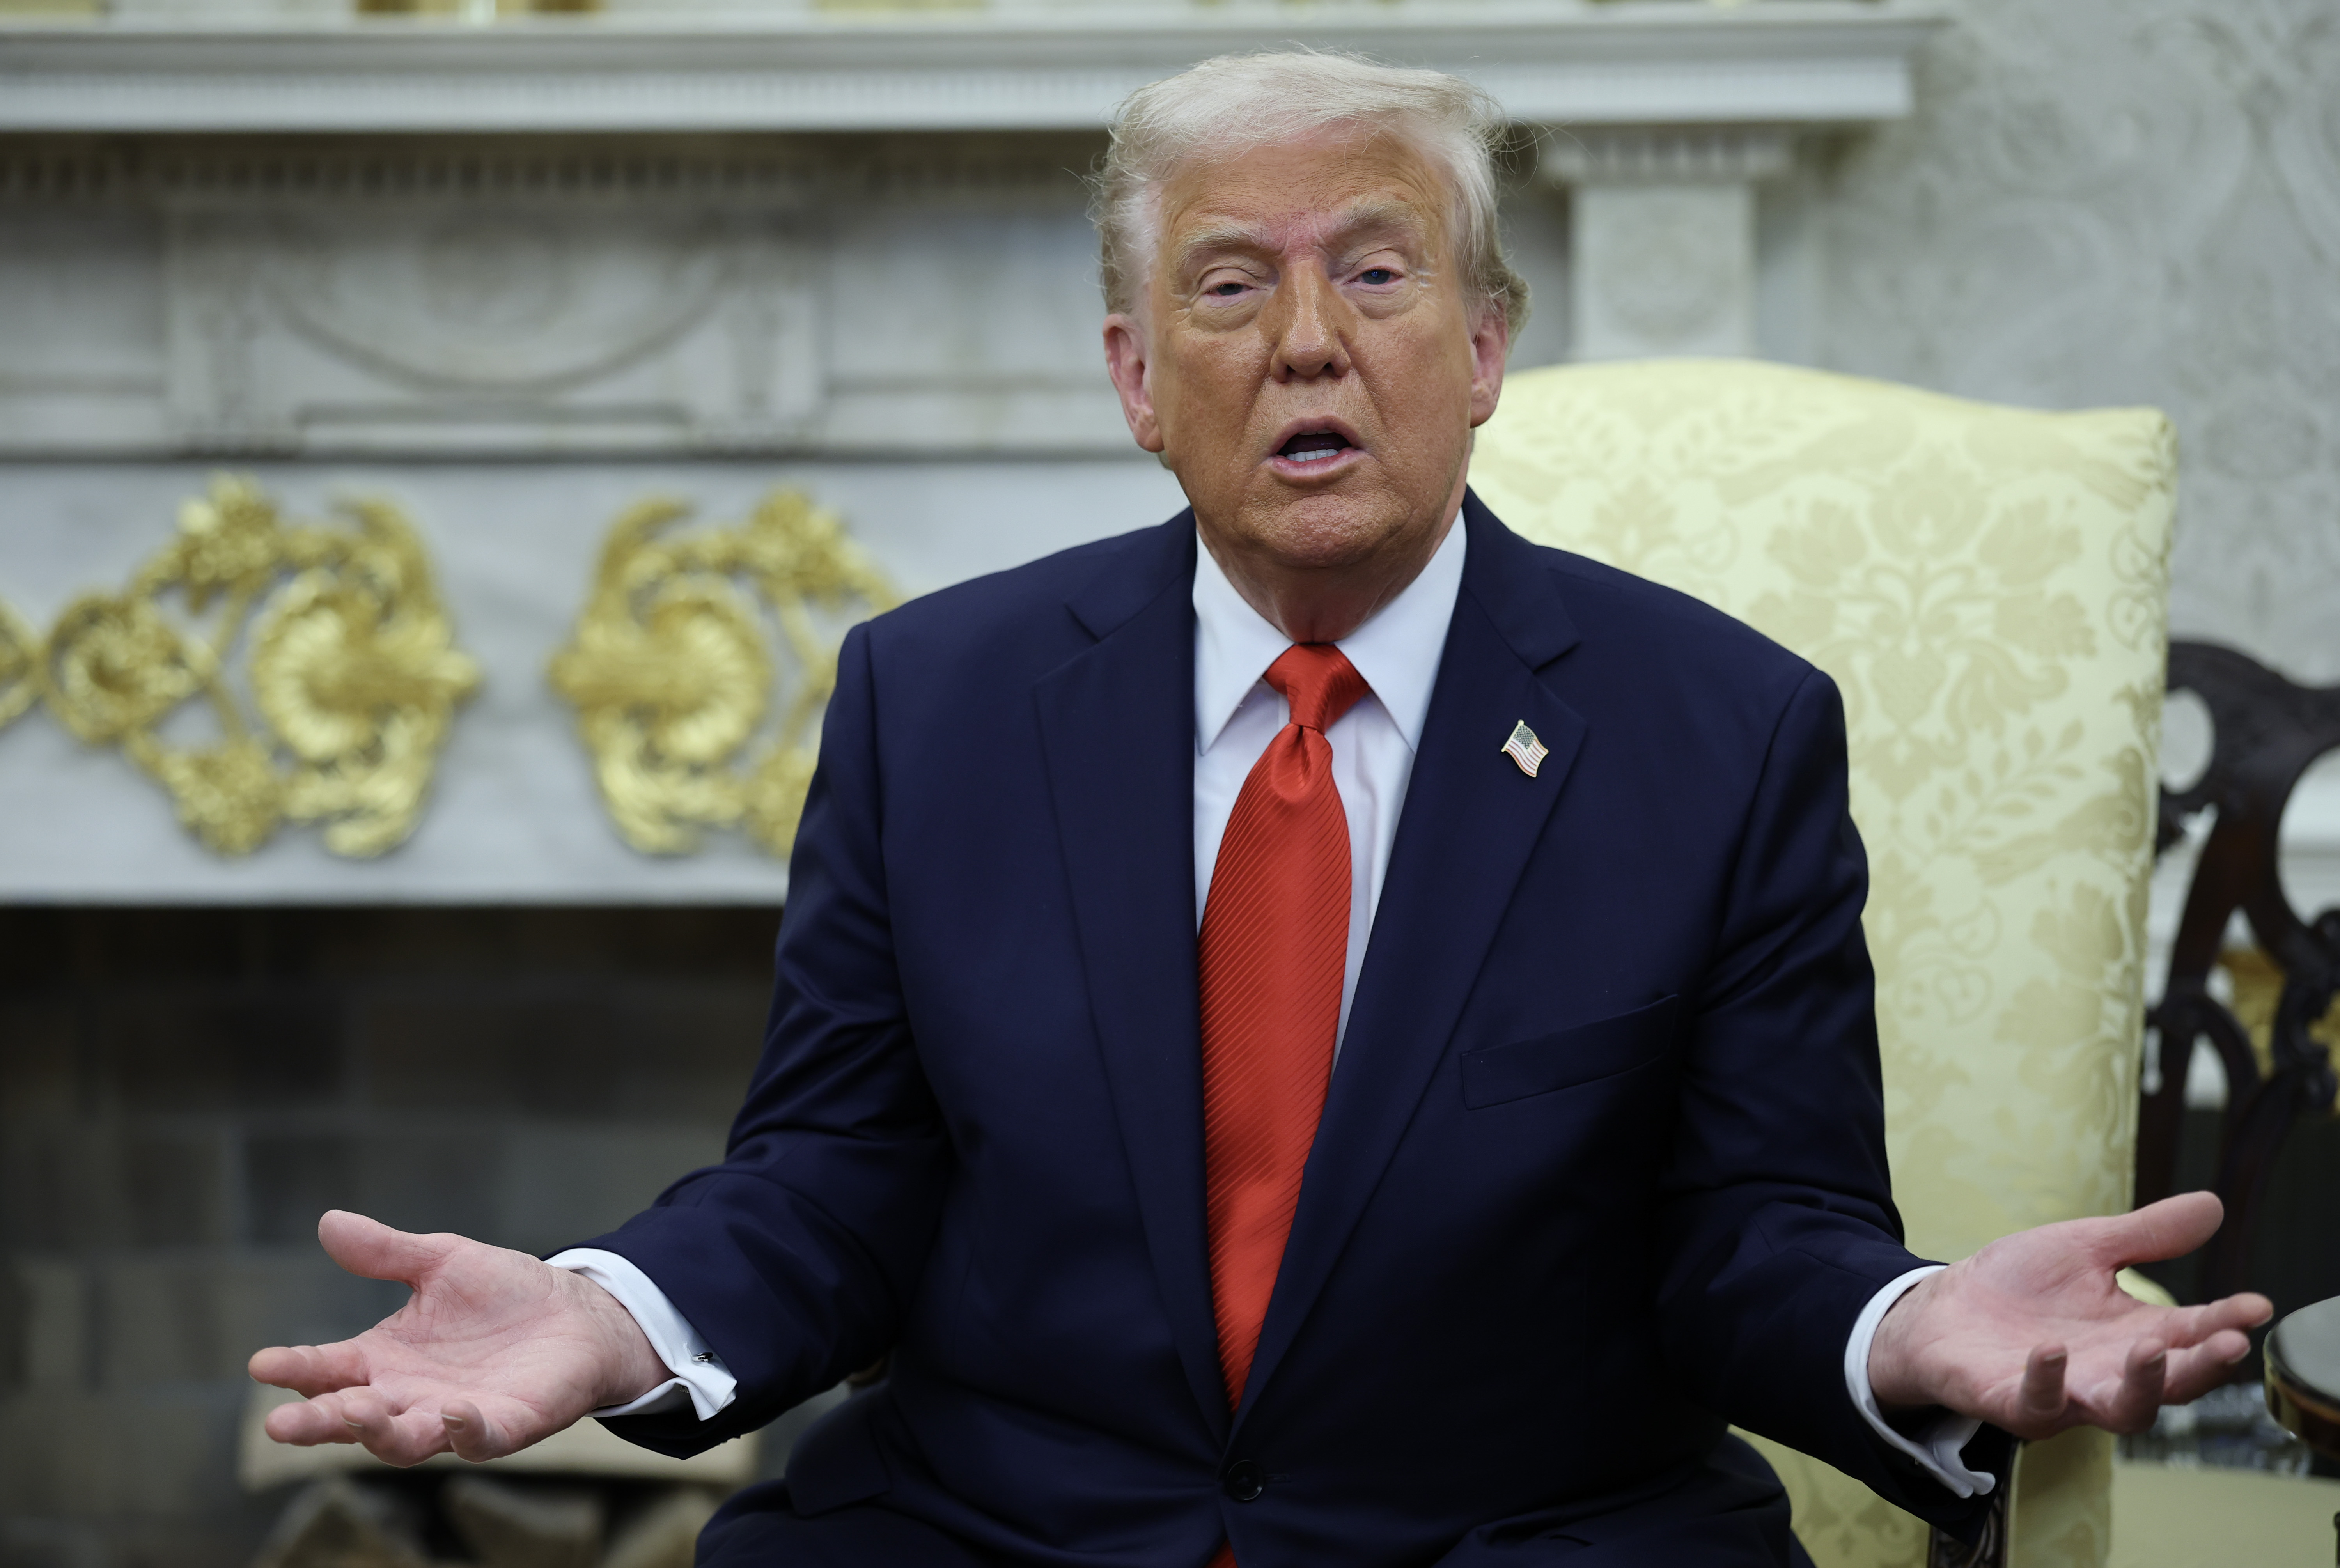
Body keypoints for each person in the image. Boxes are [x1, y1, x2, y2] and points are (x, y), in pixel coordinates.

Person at [249, 52, 2269, 1568]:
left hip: (1517, 1542)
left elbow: (1749, 1232)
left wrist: (1913, 1324)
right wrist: (610, 1315)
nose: (1309, 339)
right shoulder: (933, 703)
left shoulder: (1717, 731)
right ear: (1139, 376)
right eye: (1232, 287)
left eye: (1376, 273)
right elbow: (839, 1176)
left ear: (1485, 349)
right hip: (1003, 1534)